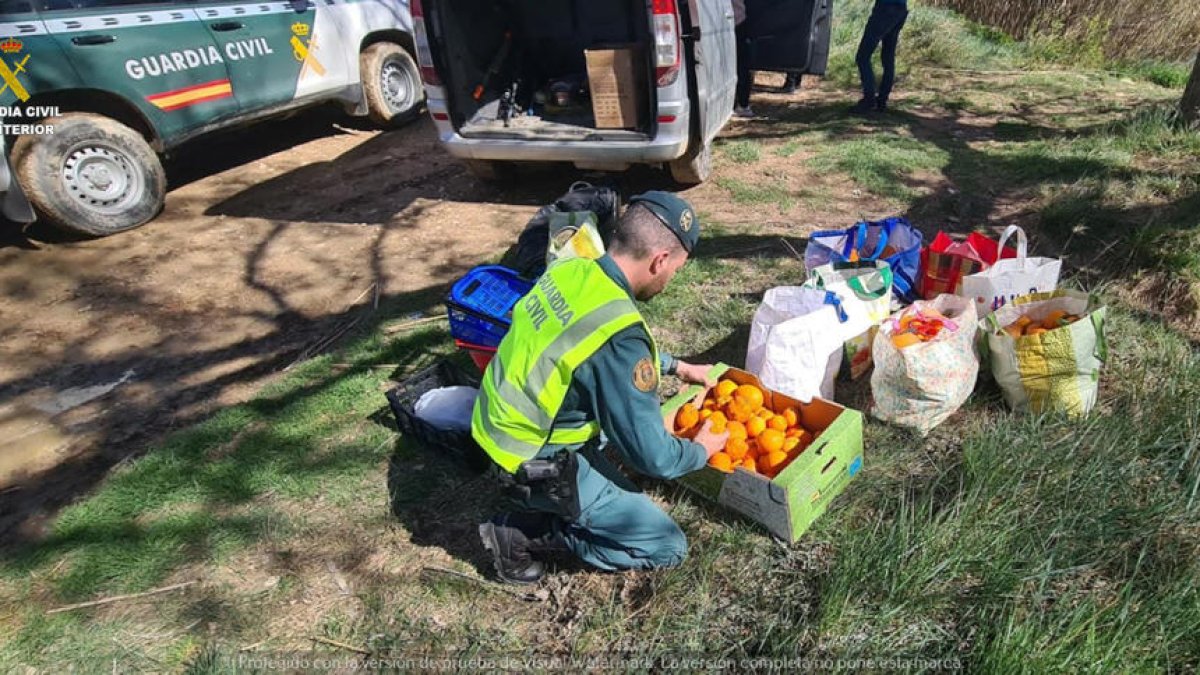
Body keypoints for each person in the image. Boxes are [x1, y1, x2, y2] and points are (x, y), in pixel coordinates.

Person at [473, 191, 729, 585]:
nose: (669, 279)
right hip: (530, 456)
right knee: (667, 545)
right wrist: (700, 450)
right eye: (674, 270)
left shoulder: (571, 269)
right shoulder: (621, 338)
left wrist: (678, 367)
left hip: (495, 421)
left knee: (615, 433)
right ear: (660, 260)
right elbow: (654, 458)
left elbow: (584, 346)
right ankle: (523, 535)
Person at [853, 0, 909, 114]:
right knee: (888, 57)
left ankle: (869, 100)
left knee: (862, 57)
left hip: (885, 8)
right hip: (901, 9)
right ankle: (882, 101)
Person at [732, 0, 754, 118]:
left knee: (741, 66)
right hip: (738, 21)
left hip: (736, 23)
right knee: (742, 66)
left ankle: (742, 103)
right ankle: (742, 104)